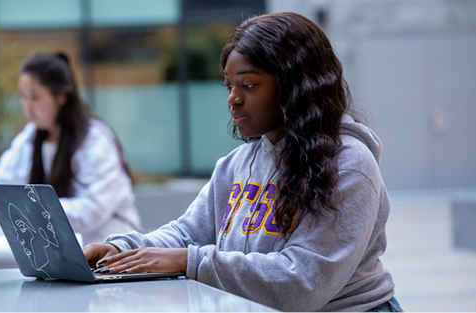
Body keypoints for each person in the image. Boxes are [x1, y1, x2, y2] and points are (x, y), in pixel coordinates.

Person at [83, 12, 400, 312]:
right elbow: (187, 235)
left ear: (295, 86)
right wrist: (121, 250)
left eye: (248, 85)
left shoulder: (349, 166)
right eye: (229, 86)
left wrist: (191, 261)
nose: (232, 98)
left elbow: (304, 282)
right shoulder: (237, 164)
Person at [0, 52, 142, 245]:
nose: (27, 106)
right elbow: (0, 181)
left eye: (35, 97)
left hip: (110, 249)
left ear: (61, 96)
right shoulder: (32, 136)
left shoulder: (95, 140)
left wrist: (28, 208)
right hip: (56, 247)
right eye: (23, 96)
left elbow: (92, 212)